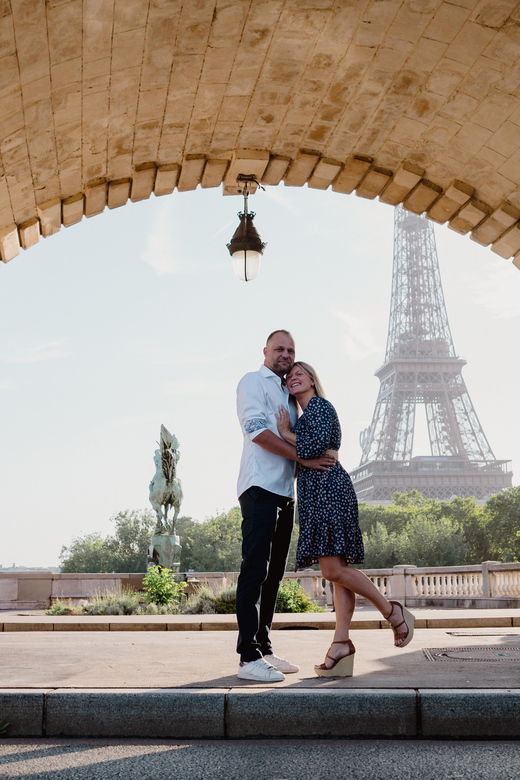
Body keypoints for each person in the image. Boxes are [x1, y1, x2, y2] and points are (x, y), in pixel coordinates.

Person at [276, 361, 414, 677]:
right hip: (318, 493)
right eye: (289, 376)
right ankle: (341, 644)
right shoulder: (306, 416)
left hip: (329, 490)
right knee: (337, 573)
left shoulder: (320, 406)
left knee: (332, 569)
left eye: (299, 373)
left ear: (312, 379)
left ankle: (392, 611)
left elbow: (314, 447)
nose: (293, 378)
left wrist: (285, 434)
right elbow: (307, 452)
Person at [235, 331, 336, 682]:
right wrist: (304, 460)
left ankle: (263, 648)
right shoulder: (252, 382)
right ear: (265, 351)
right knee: (255, 570)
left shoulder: (289, 393)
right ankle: (247, 657)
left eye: (291, 350)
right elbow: (257, 432)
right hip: (259, 486)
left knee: (274, 574)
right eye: (279, 348)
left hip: (284, 491)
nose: (285, 354)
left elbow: (304, 440)